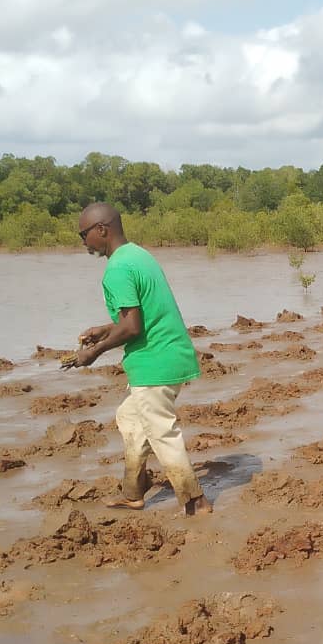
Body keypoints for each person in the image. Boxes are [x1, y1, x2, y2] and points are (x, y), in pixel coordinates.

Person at [71, 203, 212, 516]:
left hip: (154, 362)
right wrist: (105, 329)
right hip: (170, 353)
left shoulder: (117, 269)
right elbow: (140, 315)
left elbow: (133, 328)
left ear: (101, 230)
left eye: (84, 234)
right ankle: (134, 492)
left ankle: (195, 502)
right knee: (130, 419)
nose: (83, 242)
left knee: (161, 431)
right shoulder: (138, 254)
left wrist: (93, 352)